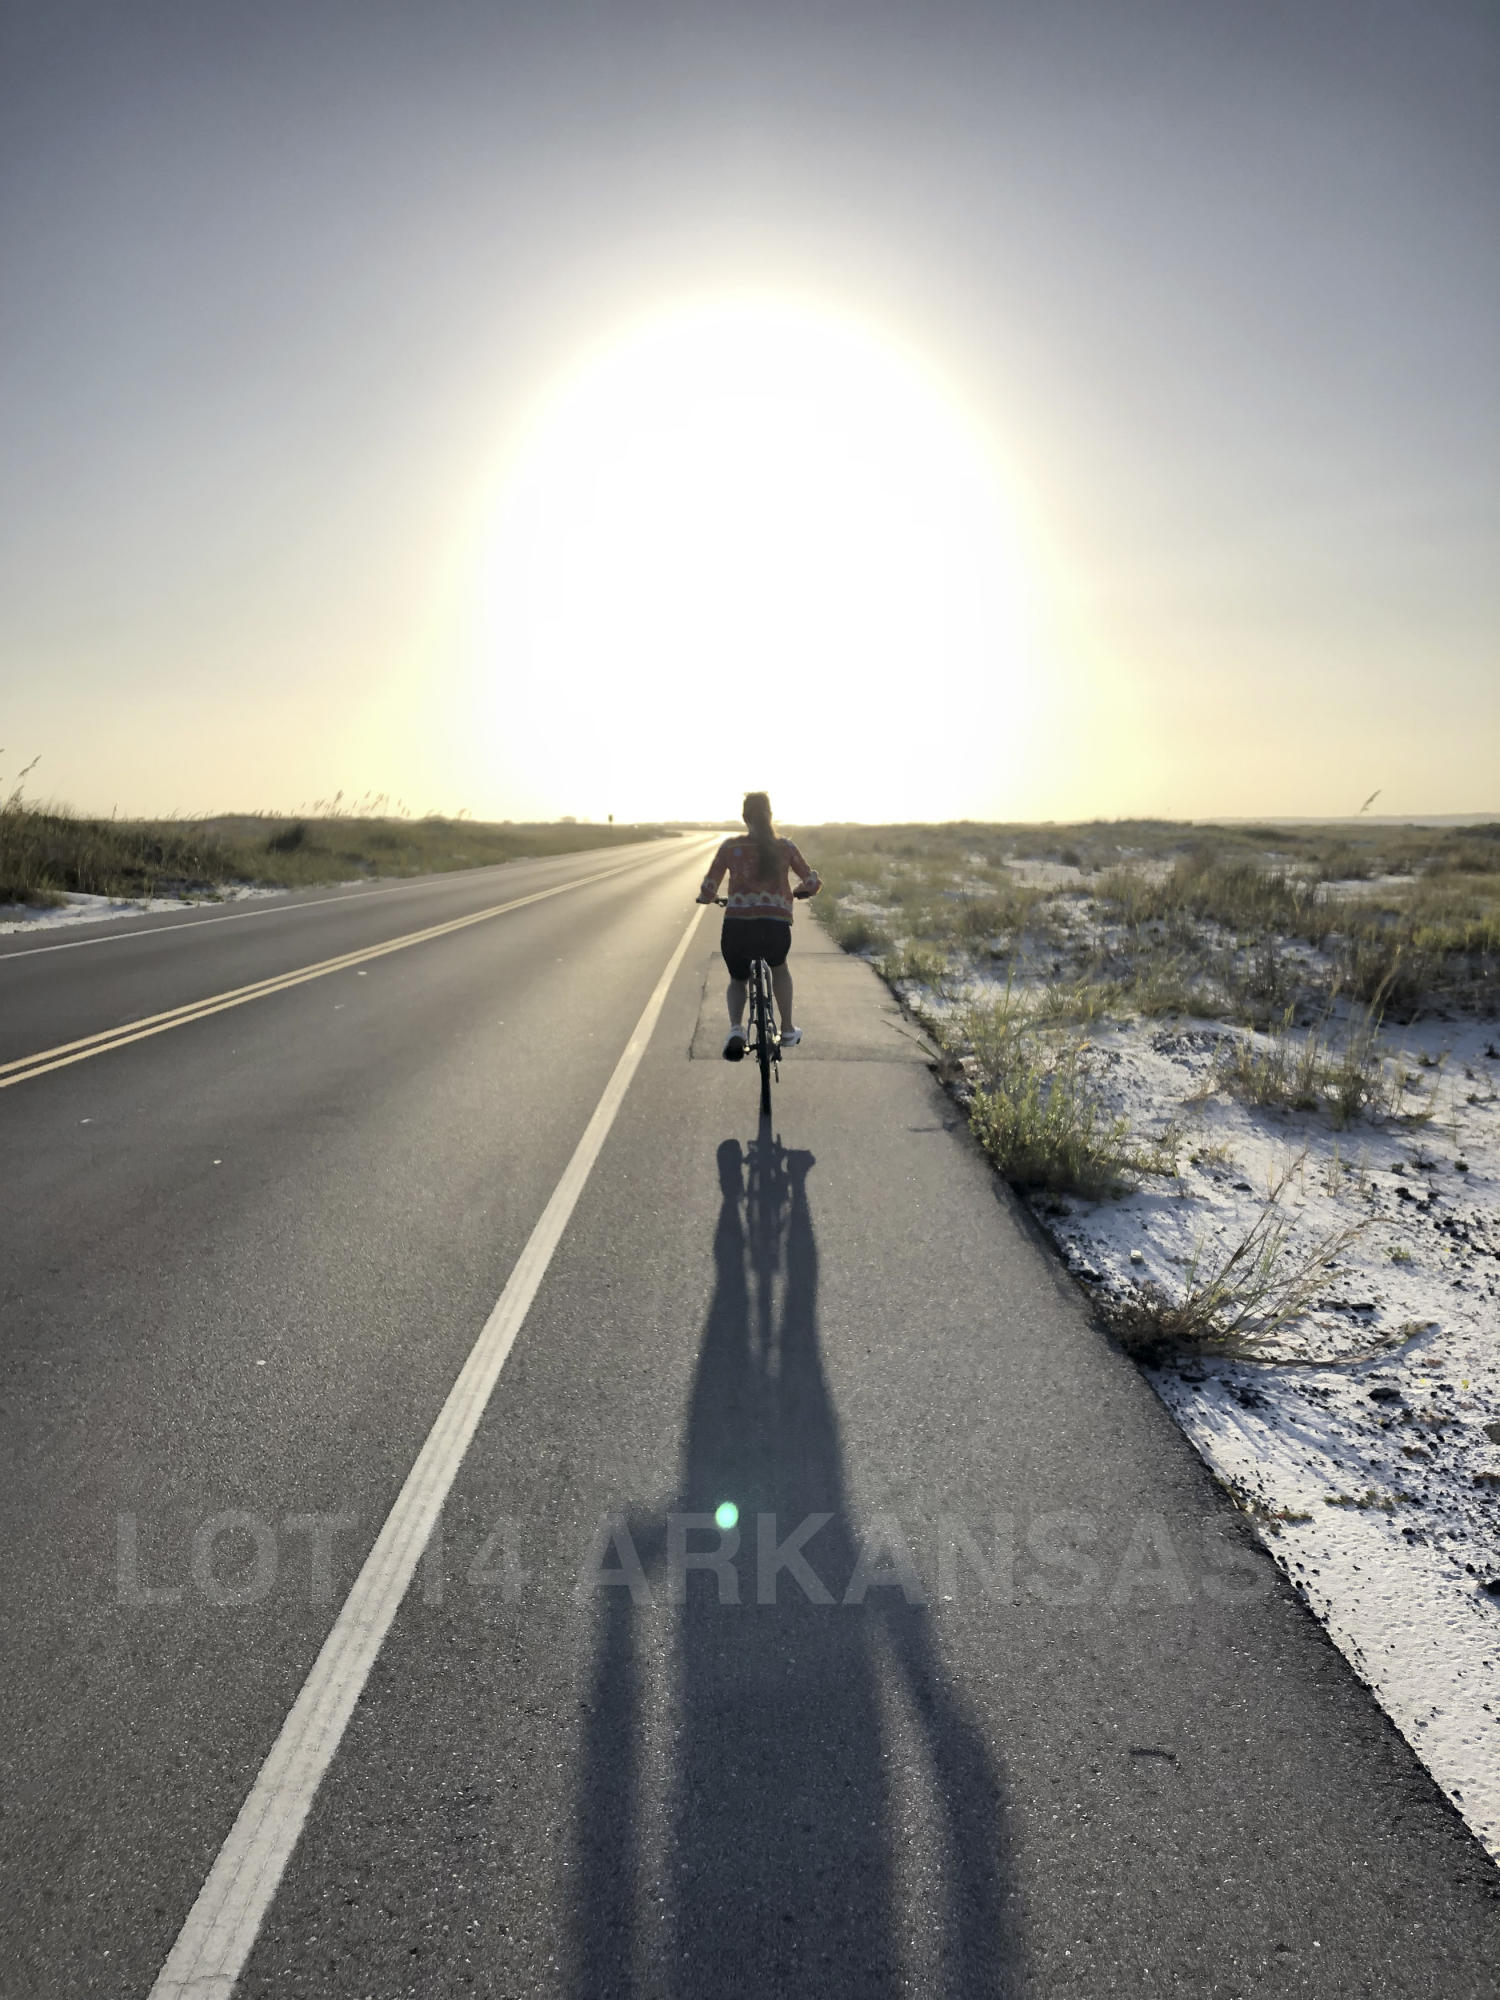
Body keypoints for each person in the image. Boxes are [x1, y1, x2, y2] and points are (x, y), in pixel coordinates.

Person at [697, 793, 821, 1061]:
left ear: (745, 818)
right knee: (779, 968)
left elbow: (709, 886)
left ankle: (735, 1030)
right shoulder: (785, 846)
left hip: (737, 929)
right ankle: (787, 1029)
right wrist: (801, 891)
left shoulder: (730, 847)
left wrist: (707, 897)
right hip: (775, 928)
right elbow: (812, 882)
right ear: (770, 816)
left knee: (737, 979)